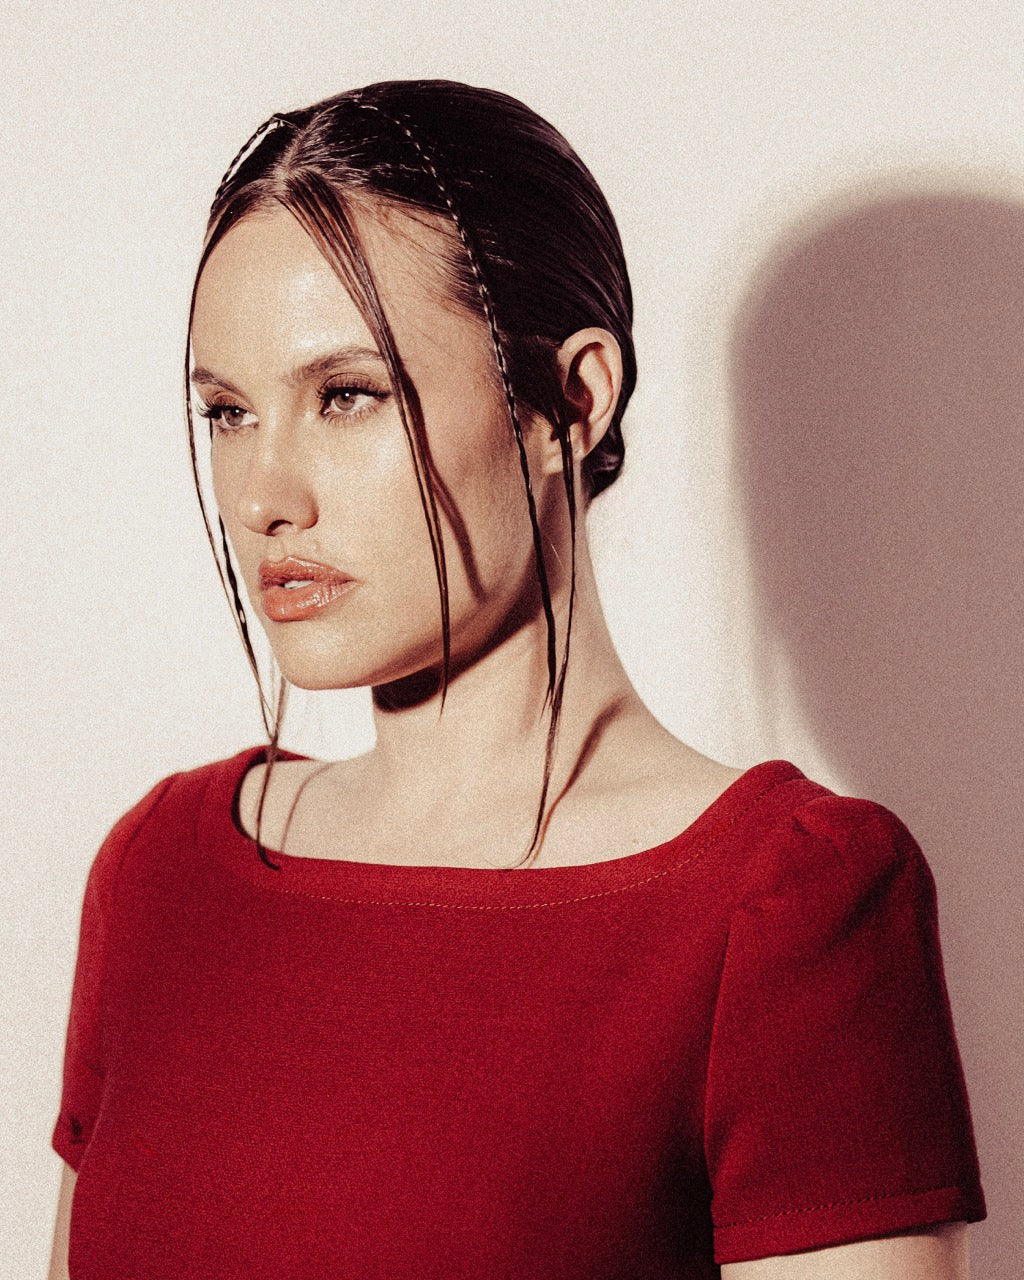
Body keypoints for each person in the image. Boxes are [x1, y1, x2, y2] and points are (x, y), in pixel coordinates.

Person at [48, 80, 986, 1279]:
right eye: (228, 412)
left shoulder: (785, 905)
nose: (263, 494)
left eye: (347, 394)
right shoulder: (162, 874)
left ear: (571, 402)